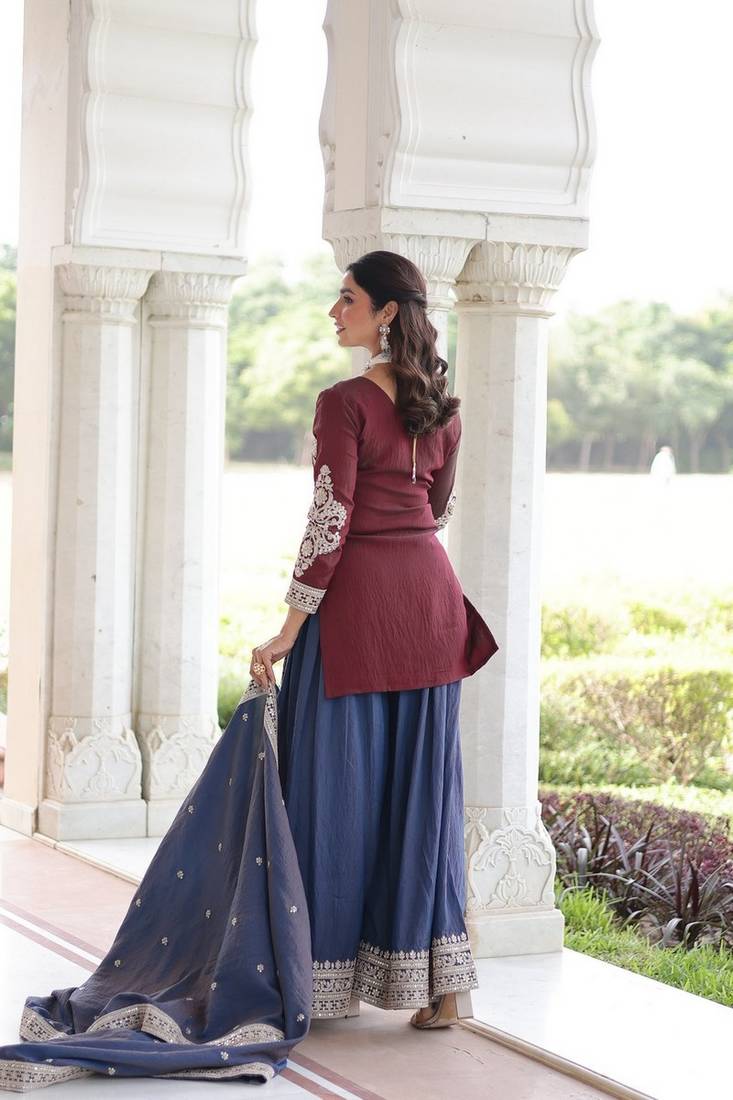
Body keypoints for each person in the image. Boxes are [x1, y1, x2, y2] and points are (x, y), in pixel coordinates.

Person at [0, 250, 498, 1093]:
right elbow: (436, 508)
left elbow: (330, 520)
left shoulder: (344, 402)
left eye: (345, 298)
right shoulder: (440, 406)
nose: (332, 311)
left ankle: (320, 978)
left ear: (385, 313)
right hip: (430, 604)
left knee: (331, 796)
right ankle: (444, 987)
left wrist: (286, 628)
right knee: (421, 797)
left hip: (359, 610)